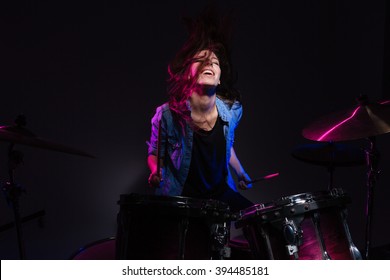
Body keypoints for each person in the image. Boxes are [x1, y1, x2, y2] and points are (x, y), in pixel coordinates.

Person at [146, 6, 253, 213]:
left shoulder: (232, 111)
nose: (209, 63)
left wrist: (240, 172)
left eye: (214, 61)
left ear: (220, 77)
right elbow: (154, 153)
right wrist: (154, 172)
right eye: (201, 60)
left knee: (262, 221)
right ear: (187, 74)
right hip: (182, 197)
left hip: (219, 193)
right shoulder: (166, 116)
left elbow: (226, 144)